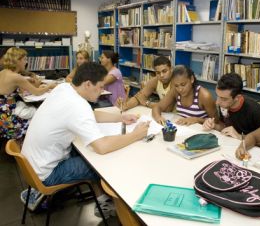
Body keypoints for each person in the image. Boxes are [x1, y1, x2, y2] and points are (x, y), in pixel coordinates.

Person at [21, 62, 150, 218]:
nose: (102, 90)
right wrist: (135, 135)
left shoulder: (65, 88)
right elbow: (102, 146)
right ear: (88, 84)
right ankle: (110, 204)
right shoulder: (77, 105)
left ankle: (102, 198)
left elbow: (89, 115)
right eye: (101, 86)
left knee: (84, 151)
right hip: (47, 174)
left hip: (32, 165)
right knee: (100, 164)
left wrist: (120, 117)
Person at [0, 47, 56, 140]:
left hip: (2, 115)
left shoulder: (2, 72)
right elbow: (37, 93)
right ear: (17, 60)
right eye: (25, 59)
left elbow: (13, 90)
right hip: (8, 119)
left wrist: (28, 83)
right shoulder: (16, 77)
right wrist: (49, 86)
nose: (26, 62)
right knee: (40, 119)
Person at [203, 72, 260, 139]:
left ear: (237, 98)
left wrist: (240, 136)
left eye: (224, 99)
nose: (217, 102)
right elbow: (224, 127)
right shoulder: (223, 104)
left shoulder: (255, 111)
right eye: (217, 96)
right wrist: (214, 126)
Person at [152, 65, 217, 125]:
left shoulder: (204, 95)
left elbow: (216, 122)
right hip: (183, 128)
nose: (180, 89)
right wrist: (158, 117)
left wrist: (197, 120)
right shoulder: (175, 91)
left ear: (192, 79)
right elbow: (157, 107)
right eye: (176, 85)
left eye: (183, 85)